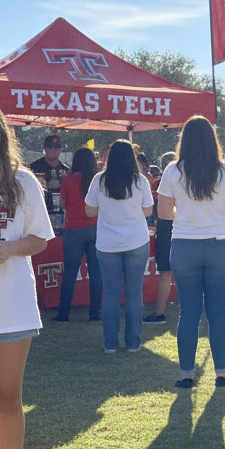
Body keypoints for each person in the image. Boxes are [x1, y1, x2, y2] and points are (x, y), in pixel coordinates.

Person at [0, 102, 53, 449]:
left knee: (6, 399)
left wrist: (11, 247)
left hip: (10, 308)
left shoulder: (23, 181)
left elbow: (40, 239)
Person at [157, 117, 225, 388]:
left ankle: (186, 374)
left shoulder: (173, 171)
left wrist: (185, 211)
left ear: (184, 140)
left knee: (189, 312)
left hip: (184, 245)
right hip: (220, 245)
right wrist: (219, 212)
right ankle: (222, 373)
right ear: (212, 140)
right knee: (219, 312)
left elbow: (163, 213)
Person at [85, 141, 153, 353]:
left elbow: (89, 211)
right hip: (136, 241)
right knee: (134, 293)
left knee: (111, 294)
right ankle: (133, 343)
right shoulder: (140, 181)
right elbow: (149, 211)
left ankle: (110, 344)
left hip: (107, 244)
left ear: (109, 157)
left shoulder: (99, 180)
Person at [55, 146, 102, 322]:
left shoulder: (68, 181)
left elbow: (62, 204)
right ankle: (95, 313)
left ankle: (63, 313)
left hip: (73, 231)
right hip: (95, 229)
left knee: (70, 273)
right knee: (96, 272)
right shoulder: (97, 181)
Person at [144, 150, 176, 325]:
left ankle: (160, 311)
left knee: (165, 272)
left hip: (166, 226)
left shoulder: (158, 183)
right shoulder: (187, 180)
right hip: (182, 226)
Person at [29, 133, 70, 220]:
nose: (55, 150)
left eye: (58, 147)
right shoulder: (34, 167)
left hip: (60, 211)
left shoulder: (65, 169)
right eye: (51, 147)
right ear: (45, 149)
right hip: (39, 209)